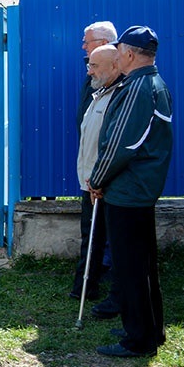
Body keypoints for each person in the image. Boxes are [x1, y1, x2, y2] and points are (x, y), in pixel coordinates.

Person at [88, 27, 171, 358]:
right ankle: (150, 329)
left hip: (128, 190)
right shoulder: (154, 82)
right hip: (140, 188)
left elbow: (122, 143)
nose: (117, 54)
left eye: (119, 50)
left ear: (131, 54)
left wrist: (97, 179)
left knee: (131, 267)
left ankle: (138, 340)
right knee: (143, 266)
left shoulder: (138, 87)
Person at [72, 21, 117, 303]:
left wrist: (99, 175)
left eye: (87, 42)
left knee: (106, 233)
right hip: (91, 171)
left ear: (102, 43)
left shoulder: (120, 86)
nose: (83, 47)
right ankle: (88, 282)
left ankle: (107, 282)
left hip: (105, 174)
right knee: (92, 231)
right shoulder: (95, 80)